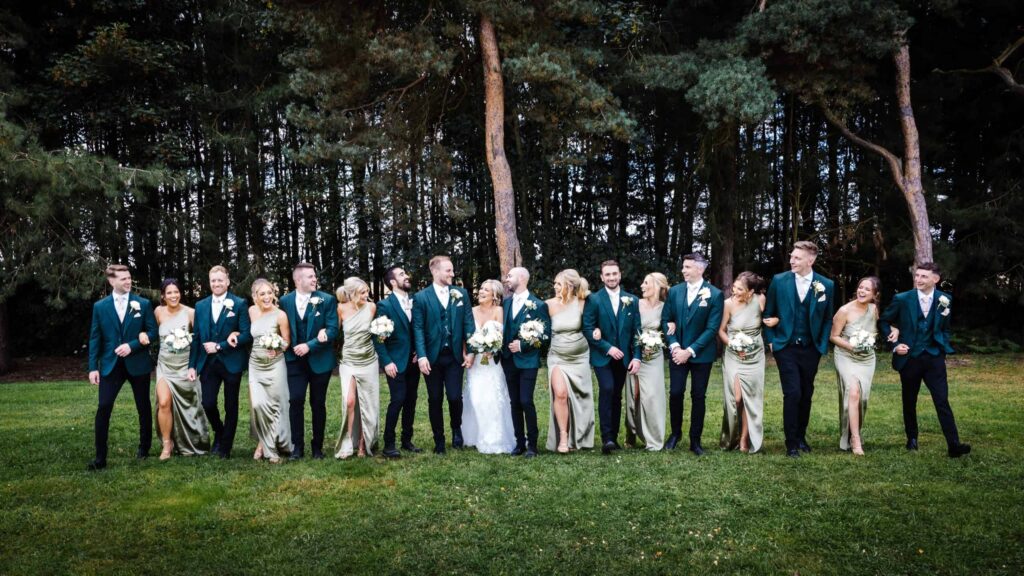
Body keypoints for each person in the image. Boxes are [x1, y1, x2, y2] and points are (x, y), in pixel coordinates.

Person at [880, 262, 971, 458]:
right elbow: (884, 321)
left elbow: (945, 327)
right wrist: (895, 345)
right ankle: (912, 439)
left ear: (935, 279)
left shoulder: (944, 299)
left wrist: (942, 346)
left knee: (942, 400)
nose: (918, 279)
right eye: (917, 275)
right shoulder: (902, 299)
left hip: (934, 358)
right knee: (909, 400)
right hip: (909, 358)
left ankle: (954, 445)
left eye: (923, 276)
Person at [763, 240, 834, 457]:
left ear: (810, 260)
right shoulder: (779, 280)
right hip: (786, 347)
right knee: (792, 393)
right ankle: (791, 443)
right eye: (792, 256)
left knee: (806, 393)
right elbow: (768, 314)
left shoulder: (826, 285)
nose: (792, 260)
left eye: (797, 258)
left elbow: (827, 318)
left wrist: (821, 345)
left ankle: (801, 437)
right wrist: (773, 341)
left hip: (811, 348)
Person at [87, 264, 157, 470]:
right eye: (123, 278)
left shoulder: (142, 304)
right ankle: (100, 458)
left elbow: (153, 332)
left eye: (129, 278)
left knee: (143, 407)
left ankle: (144, 450)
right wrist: (93, 367)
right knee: (104, 407)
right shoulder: (100, 307)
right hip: (110, 365)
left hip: (138, 363)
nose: (128, 281)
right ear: (111, 281)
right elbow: (95, 338)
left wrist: (132, 345)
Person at [413, 255, 476, 454]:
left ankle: (456, 428)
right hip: (432, 357)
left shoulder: (461, 293)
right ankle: (438, 439)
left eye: (452, 270)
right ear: (435, 271)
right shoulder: (421, 297)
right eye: (448, 270)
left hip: (454, 356)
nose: (452, 273)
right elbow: (418, 328)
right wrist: (422, 356)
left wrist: (472, 351)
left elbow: (468, 323)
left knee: (455, 397)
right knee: (434, 398)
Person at [661, 253, 724, 455]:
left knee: (698, 396)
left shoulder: (714, 295)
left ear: (700, 269)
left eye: (687, 267)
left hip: (701, 355)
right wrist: (675, 347)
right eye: (684, 267)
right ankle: (675, 433)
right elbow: (666, 320)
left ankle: (695, 440)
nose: (683, 270)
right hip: (677, 352)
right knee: (676, 393)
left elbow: (712, 328)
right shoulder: (675, 292)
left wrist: (689, 351)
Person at [188, 265, 251, 459]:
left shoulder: (239, 304)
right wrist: (192, 365)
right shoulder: (200, 306)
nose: (217, 284)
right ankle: (220, 431)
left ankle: (225, 447)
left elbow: (247, 334)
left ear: (227, 282)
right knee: (208, 403)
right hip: (207, 363)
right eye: (213, 280)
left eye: (220, 280)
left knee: (231, 405)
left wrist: (221, 345)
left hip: (231, 361)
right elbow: (197, 337)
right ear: (209, 282)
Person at [279, 262, 339, 459]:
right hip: (294, 361)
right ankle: (297, 446)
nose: (315, 279)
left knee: (318, 402)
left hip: (320, 359)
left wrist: (310, 345)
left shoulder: (327, 300)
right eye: (310, 276)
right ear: (298, 280)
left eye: (315, 276)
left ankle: (317, 447)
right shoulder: (285, 301)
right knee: (295, 400)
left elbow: (332, 330)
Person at [583, 260, 642, 455]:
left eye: (614, 274)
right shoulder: (594, 299)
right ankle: (607, 437)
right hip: (603, 356)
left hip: (624, 358)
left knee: (616, 395)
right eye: (607, 274)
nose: (611, 277)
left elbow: (636, 331)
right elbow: (588, 328)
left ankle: (613, 437)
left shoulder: (632, 300)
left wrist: (637, 357)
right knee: (607, 389)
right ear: (601, 277)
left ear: (620, 275)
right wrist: (607, 347)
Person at [154, 278, 209, 459]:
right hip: (165, 365)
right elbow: (152, 332)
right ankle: (167, 444)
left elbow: (198, 341)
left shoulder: (191, 313)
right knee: (164, 402)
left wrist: (194, 366)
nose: (173, 295)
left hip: (185, 366)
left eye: (176, 292)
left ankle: (194, 440)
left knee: (190, 405)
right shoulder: (158, 312)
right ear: (163, 295)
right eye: (169, 292)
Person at [717, 272, 770, 454]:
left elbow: (771, 318)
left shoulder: (760, 300)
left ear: (751, 291)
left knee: (750, 398)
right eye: (735, 287)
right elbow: (722, 330)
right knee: (737, 398)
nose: (735, 291)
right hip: (734, 354)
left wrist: (775, 320)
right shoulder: (728, 304)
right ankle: (733, 435)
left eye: (740, 289)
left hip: (755, 355)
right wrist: (732, 344)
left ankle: (745, 439)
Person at [462, 279, 517, 454]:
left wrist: (493, 349)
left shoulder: (499, 311)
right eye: (481, 289)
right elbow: (466, 336)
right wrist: (466, 354)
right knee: (477, 399)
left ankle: (494, 438)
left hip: (493, 363)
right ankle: (475, 435)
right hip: (476, 362)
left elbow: (501, 336)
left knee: (493, 399)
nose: (481, 292)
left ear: (494, 295)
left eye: (486, 290)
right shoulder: (471, 311)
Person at [374, 266, 423, 459]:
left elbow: (420, 329)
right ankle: (389, 444)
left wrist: (420, 353)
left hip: (414, 360)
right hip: (395, 362)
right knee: (398, 400)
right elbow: (378, 338)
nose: (407, 276)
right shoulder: (385, 305)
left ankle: (407, 440)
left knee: (411, 400)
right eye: (402, 274)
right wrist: (386, 362)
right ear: (393, 282)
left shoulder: (415, 301)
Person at [501, 267, 551, 457]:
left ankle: (532, 445)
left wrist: (523, 345)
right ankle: (519, 442)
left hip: (528, 360)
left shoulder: (538, 305)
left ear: (521, 278)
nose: (507, 279)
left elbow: (545, 335)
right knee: (515, 402)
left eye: (510, 276)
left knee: (526, 401)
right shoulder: (506, 303)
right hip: (508, 360)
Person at [545, 269, 595, 453]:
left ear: (570, 285)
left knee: (581, 396)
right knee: (560, 393)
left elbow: (593, 324)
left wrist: (597, 331)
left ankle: (581, 434)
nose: (555, 287)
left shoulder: (583, 303)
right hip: (557, 357)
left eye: (559, 283)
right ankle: (563, 437)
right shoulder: (548, 305)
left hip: (580, 357)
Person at [830, 276, 880, 456]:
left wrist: (894, 331)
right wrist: (852, 346)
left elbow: (876, 330)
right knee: (853, 392)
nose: (862, 291)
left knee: (862, 398)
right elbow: (834, 336)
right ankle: (855, 439)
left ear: (875, 294)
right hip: (846, 356)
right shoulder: (844, 310)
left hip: (867, 359)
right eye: (860, 287)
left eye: (867, 289)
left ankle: (853, 430)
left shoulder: (874, 309)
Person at [332, 277, 380, 459]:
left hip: (368, 360)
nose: (366, 295)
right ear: (351, 294)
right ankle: (347, 443)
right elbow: (334, 334)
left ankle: (363, 443)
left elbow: (377, 334)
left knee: (366, 403)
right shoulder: (341, 309)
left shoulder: (372, 307)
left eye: (367, 291)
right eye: (362, 292)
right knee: (350, 401)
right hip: (349, 361)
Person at [248, 278, 291, 463]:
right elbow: (246, 332)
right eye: (262, 294)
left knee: (275, 405)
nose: (267, 297)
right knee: (258, 405)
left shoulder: (280, 315)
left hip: (275, 365)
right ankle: (263, 442)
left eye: (269, 293)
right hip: (255, 365)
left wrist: (278, 347)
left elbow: (287, 341)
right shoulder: (252, 311)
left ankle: (269, 447)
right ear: (255, 297)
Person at [627, 272, 669, 451]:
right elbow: (628, 329)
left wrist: (668, 330)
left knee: (652, 396)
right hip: (635, 355)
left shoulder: (665, 307)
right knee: (633, 396)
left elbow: (668, 330)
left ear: (657, 286)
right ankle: (631, 435)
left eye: (646, 283)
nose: (642, 286)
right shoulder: (635, 304)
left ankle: (654, 438)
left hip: (654, 356)